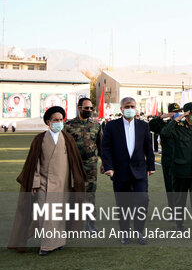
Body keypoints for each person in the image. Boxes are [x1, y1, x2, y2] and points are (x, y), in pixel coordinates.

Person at [7, 106, 86, 255]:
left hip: (64, 183)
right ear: (48, 122)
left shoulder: (67, 138)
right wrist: (35, 183)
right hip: (44, 183)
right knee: (45, 214)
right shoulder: (40, 139)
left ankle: (59, 241)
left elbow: (73, 162)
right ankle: (47, 245)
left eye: (61, 120)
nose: (59, 122)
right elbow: (34, 163)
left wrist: (75, 182)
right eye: (55, 120)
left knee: (60, 213)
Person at [101, 97, 155, 245]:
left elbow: (148, 147)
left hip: (140, 171)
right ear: (121, 109)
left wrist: (151, 166)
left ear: (136, 108)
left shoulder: (143, 125)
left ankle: (139, 231)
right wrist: (109, 167)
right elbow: (105, 148)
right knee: (123, 204)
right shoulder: (111, 126)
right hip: (120, 171)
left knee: (143, 200)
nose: (130, 109)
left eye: (132, 106)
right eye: (127, 106)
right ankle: (125, 233)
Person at [160, 102, 192, 238]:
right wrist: (179, 117)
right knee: (179, 200)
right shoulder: (178, 127)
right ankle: (179, 224)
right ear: (187, 114)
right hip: (180, 170)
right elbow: (164, 133)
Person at [64, 97, 102, 232]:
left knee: (90, 195)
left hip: (91, 165)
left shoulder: (96, 125)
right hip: (74, 165)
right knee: (73, 194)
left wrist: (104, 163)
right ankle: (72, 225)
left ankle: (90, 225)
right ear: (79, 108)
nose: (89, 110)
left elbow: (100, 145)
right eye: (86, 108)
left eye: (91, 108)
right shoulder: (68, 126)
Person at [148, 103, 183, 210]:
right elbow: (150, 125)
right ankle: (173, 210)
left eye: (177, 112)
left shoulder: (183, 124)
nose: (176, 114)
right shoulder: (163, 125)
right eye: (173, 112)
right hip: (168, 160)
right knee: (170, 187)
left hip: (182, 160)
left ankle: (180, 210)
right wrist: (161, 117)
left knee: (181, 188)